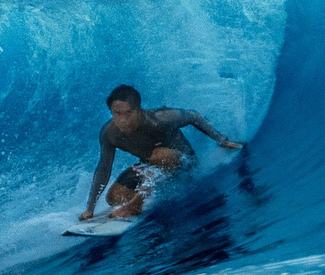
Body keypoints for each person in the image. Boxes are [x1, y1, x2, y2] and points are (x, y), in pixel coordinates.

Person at [81, 85, 245, 221]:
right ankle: (145, 197)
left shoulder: (159, 118)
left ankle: (136, 204)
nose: (123, 120)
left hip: (183, 161)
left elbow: (192, 116)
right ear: (111, 112)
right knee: (114, 197)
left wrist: (222, 140)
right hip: (152, 167)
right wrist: (90, 208)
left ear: (138, 110)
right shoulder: (109, 134)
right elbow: (103, 168)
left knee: (158, 156)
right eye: (117, 114)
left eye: (129, 113)